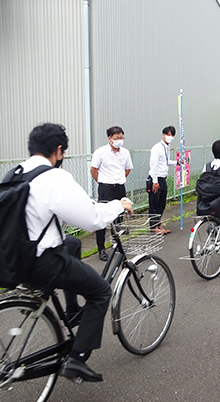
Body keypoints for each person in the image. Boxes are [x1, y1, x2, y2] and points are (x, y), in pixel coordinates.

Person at [15, 123, 133, 383]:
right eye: (63, 152)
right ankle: (77, 359)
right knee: (102, 291)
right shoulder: (53, 177)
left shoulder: (18, 172)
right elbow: (91, 219)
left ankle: (71, 310)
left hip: (16, 257)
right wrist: (118, 206)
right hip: (42, 260)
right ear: (58, 150)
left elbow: (73, 207)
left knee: (73, 244)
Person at [90, 126, 133, 261]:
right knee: (102, 219)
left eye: (121, 138)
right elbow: (93, 170)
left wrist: (118, 179)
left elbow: (127, 169)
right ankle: (101, 249)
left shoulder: (125, 153)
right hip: (105, 188)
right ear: (109, 138)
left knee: (119, 217)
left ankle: (116, 244)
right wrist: (102, 182)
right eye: (116, 138)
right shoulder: (101, 152)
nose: (119, 140)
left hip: (119, 188)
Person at [147, 126, 177, 234]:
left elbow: (166, 161)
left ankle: (158, 225)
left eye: (172, 135)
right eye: (168, 135)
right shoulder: (157, 148)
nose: (170, 137)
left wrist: (177, 162)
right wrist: (155, 181)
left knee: (161, 203)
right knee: (154, 204)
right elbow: (153, 165)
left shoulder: (166, 148)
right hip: (156, 179)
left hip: (163, 179)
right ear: (163, 135)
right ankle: (153, 227)